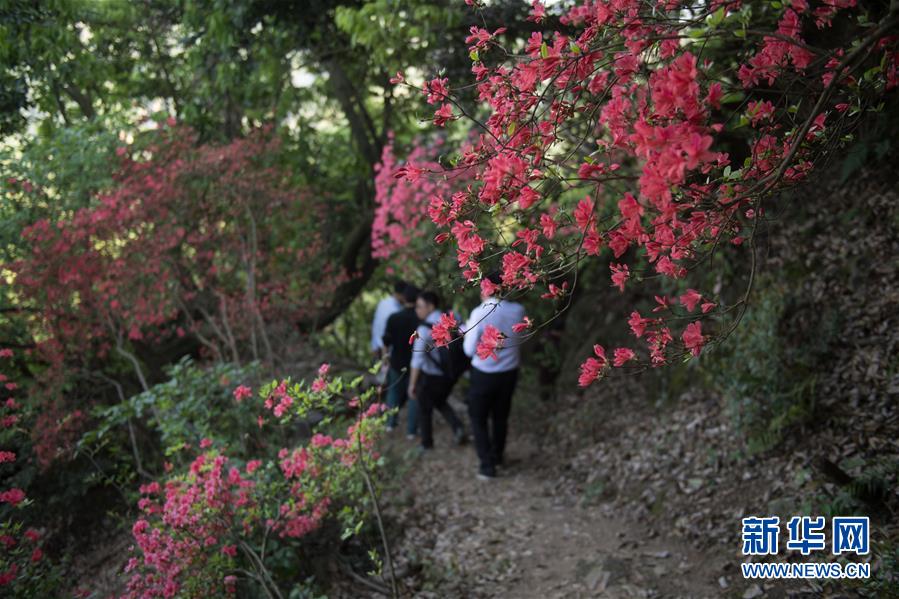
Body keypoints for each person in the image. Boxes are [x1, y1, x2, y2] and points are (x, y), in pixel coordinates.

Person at [462, 272, 526, 480]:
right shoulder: (518, 310)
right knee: (501, 416)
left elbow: (469, 349)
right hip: (509, 372)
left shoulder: (479, 312)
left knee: (478, 418)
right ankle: (498, 455)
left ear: (487, 288)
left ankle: (487, 465)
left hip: (484, 373)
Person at [408, 290, 466, 450]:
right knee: (439, 401)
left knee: (424, 408)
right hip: (452, 373)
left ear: (431, 306)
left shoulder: (424, 329)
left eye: (420, 306)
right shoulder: (452, 317)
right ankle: (458, 427)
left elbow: (417, 360)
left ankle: (426, 444)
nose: (417, 310)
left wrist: (412, 384)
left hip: (433, 376)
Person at [381, 284, 421, 437]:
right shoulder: (419, 319)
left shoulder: (394, 318)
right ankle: (411, 430)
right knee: (413, 395)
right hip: (414, 363)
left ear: (404, 298)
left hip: (396, 361)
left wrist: (385, 359)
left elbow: (386, 341)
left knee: (393, 393)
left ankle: (390, 423)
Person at [371, 280, 406, 383]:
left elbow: (375, 325)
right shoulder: (396, 311)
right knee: (386, 381)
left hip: (377, 346)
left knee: (380, 380)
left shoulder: (383, 302)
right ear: (401, 294)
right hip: (386, 350)